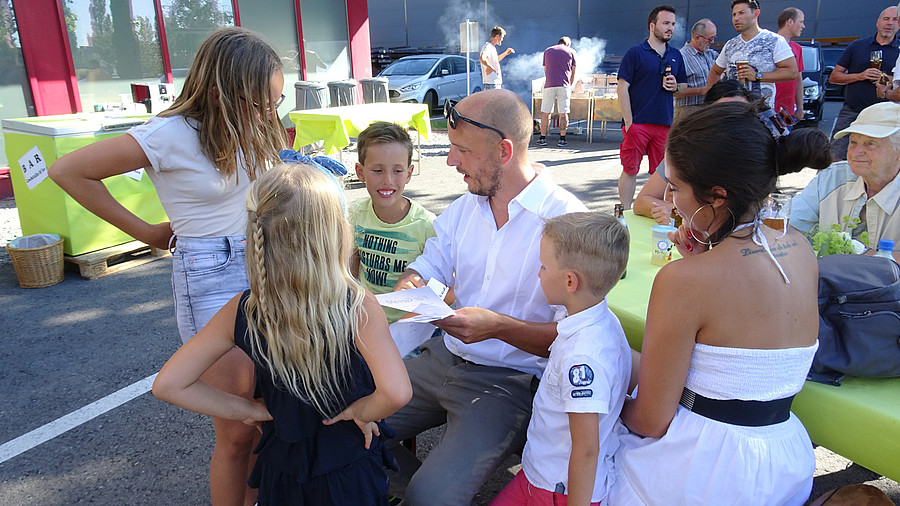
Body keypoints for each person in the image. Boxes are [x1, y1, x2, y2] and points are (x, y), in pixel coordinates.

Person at [49, 27, 289, 505]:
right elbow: (67, 170)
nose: (268, 113)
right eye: (260, 102)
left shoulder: (252, 126)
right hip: (210, 272)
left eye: (274, 103)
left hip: (266, 263)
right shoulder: (169, 133)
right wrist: (147, 233)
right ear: (224, 89)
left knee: (267, 421)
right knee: (239, 427)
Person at [609, 101, 833, 505]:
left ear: (716, 196)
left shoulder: (684, 280)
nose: (671, 200)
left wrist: (604, 403)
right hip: (784, 461)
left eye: (675, 187)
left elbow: (651, 421)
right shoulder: (800, 247)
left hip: (705, 469)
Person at [152, 163, 413, 505]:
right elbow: (396, 392)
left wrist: (250, 410)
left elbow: (169, 384)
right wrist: (360, 412)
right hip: (348, 470)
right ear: (335, 232)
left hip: (281, 468)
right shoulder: (356, 306)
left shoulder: (243, 309)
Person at [386, 89, 587, 506]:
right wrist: (411, 283)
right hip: (443, 355)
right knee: (335, 425)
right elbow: (429, 265)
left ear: (504, 151)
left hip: (508, 383)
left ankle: (423, 488)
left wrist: (498, 328)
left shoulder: (566, 221)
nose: (449, 162)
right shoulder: (466, 207)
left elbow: (580, 337)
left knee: (430, 498)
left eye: (460, 150)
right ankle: (415, 484)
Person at [490, 212, 631, 506]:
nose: (538, 273)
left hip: (556, 491)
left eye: (543, 266)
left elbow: (586, 449)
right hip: (539, 475)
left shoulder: (582, 358)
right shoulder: (600, 320)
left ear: (569, 281)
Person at [349, 121, 436, 324]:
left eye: (397, 171)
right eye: (377, 170)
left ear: (409, 173)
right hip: (369, 321)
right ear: (360, 172)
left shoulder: (427, 225)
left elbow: (447, 288)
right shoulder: (355, 214)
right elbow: (351, 275)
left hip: (413, 327)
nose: (387, 180)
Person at [791, 101, 900, 261]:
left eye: (870, 144)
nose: (855, 153)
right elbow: (786, 228)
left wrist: (865, 259)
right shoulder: (832, 178)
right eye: (853, 142)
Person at [633, 80, 753, 224]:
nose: (732, 123)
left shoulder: (756, 157)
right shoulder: (685, 151)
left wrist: (683, 211)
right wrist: (673, 210)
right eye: (724, 113)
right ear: (707, 115)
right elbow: (641, 202)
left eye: (740, 113)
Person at [617, 4, 688, 210]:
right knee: (630, 169)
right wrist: (629, 122)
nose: (670, 28)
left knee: (663, 175)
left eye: (673, 24)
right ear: (652, 25)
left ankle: (657, 212)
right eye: (666, 23)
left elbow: (683, 86)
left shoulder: (676, 55)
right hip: (638, 122)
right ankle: (625, 212)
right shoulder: (636, 53)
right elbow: (622, 88)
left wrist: (677, 86)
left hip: (664, 124)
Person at [831, 6, 899, 160]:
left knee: (882, 160)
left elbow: (896, 85)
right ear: (878, 22)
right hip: (853, 112)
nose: (889, 23)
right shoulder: (857, 46)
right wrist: (860, 76)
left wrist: (885, 79)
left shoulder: (899, 51)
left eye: (895, 19)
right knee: (834, 156)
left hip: (887, 115)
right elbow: (834, 77)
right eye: (886, 19)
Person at [707, 0, 799, 110]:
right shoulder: (730, 44)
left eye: (741, 13)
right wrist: (712, 101)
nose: (736, 18)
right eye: (734, 14)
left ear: (756, 14)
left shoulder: (774, 40)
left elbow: (792, 72)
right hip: (733, 113)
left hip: (762, 113)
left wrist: (757, 75)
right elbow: (715, 71)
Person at [675, 19, 718, 121]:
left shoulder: (711, 54)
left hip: (709, 109)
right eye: (710, 39)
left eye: (713, 38)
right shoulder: (681, 57)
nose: (712, 42)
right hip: (688, 112)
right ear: (697, 37)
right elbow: (674, 91)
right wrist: (702, 90)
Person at [538, 36, 578, 147]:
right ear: (568, 44)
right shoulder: (571, 52)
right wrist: (570, 84)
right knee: (563, 113)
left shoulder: (547, 51)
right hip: (564, 85)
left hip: (549, 85)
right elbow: (573, 71)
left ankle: (542, 138)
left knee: (546, 113)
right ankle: (562, 139)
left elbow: (545, 70)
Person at [775, 7, 806, 121]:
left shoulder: (797, 48)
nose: (803, 26)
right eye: (801, 22)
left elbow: (798, 79)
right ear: (790, 22)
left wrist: (800, 107)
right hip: (768, 109)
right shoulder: (769, 44)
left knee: (786, 138)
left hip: (787, 111)